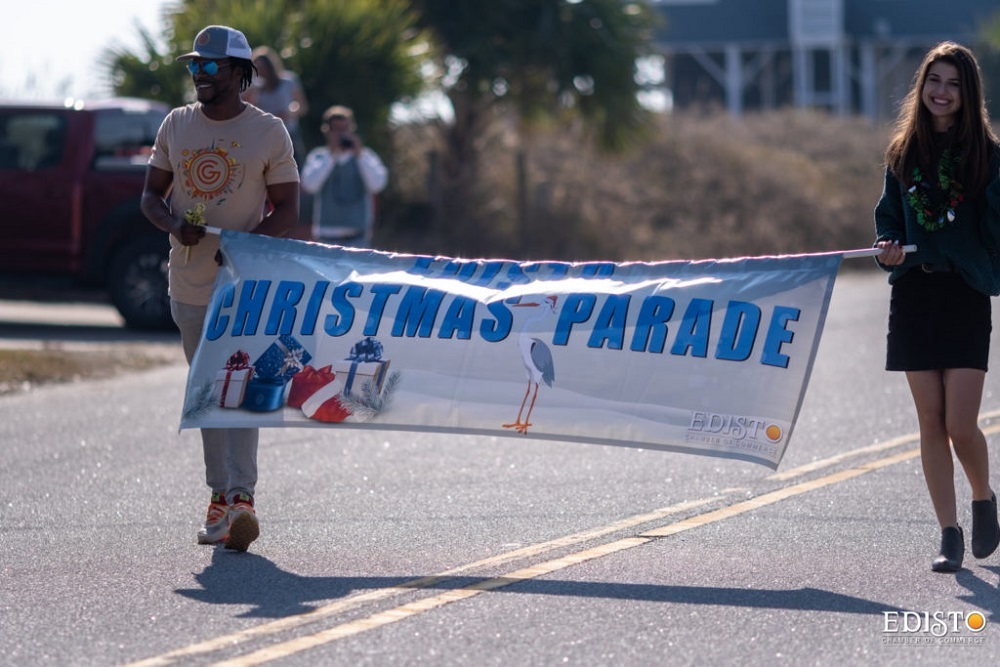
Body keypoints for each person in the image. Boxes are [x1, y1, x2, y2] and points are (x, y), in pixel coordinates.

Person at [140, 25, 300, 552]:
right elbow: (150, 197)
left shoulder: (269, 131)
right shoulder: (177, 124)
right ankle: (220, 498)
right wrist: (171, 225)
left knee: (242, 383)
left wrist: (247, 246)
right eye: (194, 67)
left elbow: (288, 209)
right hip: (188, 282)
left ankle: (241, 500)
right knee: (208, 388)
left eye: (210, 67)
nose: (199, 76)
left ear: (238, 73)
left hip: (245, 286)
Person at [874, 41, 1000, 573]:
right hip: (915, 294)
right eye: (934, 82)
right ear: (921, 87)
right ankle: (948, 532)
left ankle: (983, 497)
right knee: (929, 420)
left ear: (967, 94)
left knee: (960, 423)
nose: (941, 92)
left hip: (965, 292)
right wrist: (888, 249)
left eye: (952, 84)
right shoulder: (903, 153)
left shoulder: (988, 157)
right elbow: (888, 221)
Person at [300, 105, 388, 247]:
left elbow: (377, 184)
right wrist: (332, 156)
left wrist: (359, 156)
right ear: (327, 131)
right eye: (336, 130)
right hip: (326, 236)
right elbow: (309, 185)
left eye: (345, 129)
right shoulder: (319, 156)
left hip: (358, 236)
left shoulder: (365, 156)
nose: (341, 134)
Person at [243, 46, 309, 168]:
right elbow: (248, 108)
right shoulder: (256, 88)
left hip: (289, 133)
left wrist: (289, 113)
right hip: (267, 136)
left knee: (297, 168)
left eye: (263, 67)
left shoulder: (288, 81)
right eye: (258, 68)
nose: (261, 71)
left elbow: (302, 106)